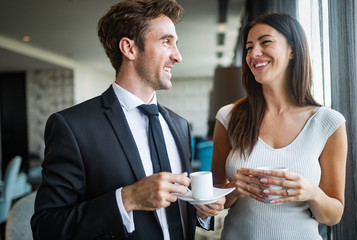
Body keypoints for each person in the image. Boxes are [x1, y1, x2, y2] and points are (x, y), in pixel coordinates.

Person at [31, 0, 225, 239]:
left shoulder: (180, 125)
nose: (178, 56)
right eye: (166, 42)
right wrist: (128, 198)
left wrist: (201, 211)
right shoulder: (72, 127)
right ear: (129, 48)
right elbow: (46, 227)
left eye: (176, 44)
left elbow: (176, 211)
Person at [211, 12, 347, 240]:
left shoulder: (328, 123)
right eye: (248, 47)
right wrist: (235, 188)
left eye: (265, 42)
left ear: (293, 50)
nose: (254, 54)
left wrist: (312, 193)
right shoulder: (229, 117)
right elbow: (214, 198)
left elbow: (333, 215)